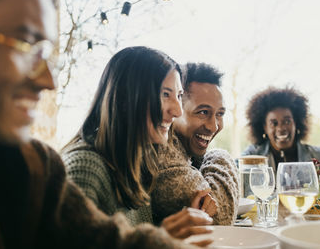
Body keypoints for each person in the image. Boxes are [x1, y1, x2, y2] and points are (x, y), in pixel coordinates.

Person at [0, 0, 202, 248]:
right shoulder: (80, 167)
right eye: (24, 44)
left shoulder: (34, 166)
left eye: (45, 53)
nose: (48, 81)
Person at [62, 46, 214, 245]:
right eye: (165, 94)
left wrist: (175, 229)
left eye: (178, 95)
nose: (177, 111)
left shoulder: (138, 158)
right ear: (126, 99)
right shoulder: (85, 168)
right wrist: (161, 239)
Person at [151, 62, 239, 225]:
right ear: (176, 111)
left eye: (219, 114)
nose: (214, 126)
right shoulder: (162, 155)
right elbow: (220, 219)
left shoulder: (183, 151)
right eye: (203, 112)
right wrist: (220, 156)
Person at [242, 86, 320, 186]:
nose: (281, 128)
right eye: (274, 123)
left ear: (296, 124)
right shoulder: (251, 156)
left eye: (287, 121)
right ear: (264, 127)